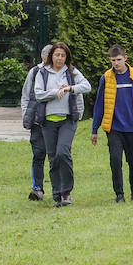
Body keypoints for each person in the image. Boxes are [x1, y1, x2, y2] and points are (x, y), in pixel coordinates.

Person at [89, 45, 133, 203]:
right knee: (115, 160)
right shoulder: (106, 77)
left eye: (119, 60)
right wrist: (94, 129)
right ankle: (119, 194)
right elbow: (99, 104)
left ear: (125, 58)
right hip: (114, 128)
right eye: (113, 60)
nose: (116, 63)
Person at [32, 41, 92, 207]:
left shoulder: (71, 72)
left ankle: (66, 193)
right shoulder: (42, 73)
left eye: (63, 55)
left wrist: (69, 89)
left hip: (67, 119)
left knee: (62, 153)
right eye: (57, 55)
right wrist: (55, 92)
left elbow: (86, 86)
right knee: (53, 158)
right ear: (51, 56)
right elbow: (38, 95)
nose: (59, 58)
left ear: (67, 57)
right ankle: (57, 193)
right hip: (48, 121)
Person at [20, 43, 52, 200]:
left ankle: (59, 189)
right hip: (37, 121)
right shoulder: (34, 72)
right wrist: (26, 115)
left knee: (56, 155)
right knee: (38, 154)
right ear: (43, 56)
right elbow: (26, 95)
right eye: (48, 55)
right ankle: (37, 188)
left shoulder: (62, 73)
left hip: (54, 121)